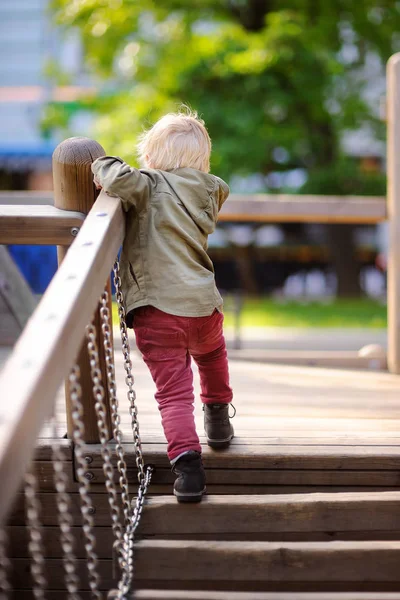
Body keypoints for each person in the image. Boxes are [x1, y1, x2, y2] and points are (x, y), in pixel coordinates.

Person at [91, 108, 234, 503]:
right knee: (212, 356)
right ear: (203, 161)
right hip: (204, 305)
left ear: (151, 159)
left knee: (173, 394)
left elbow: (115, 178)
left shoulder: (148, 184)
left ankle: (188, 470)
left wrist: (99, 160)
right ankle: (218, 419)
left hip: (158, 310)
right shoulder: (209, 190)